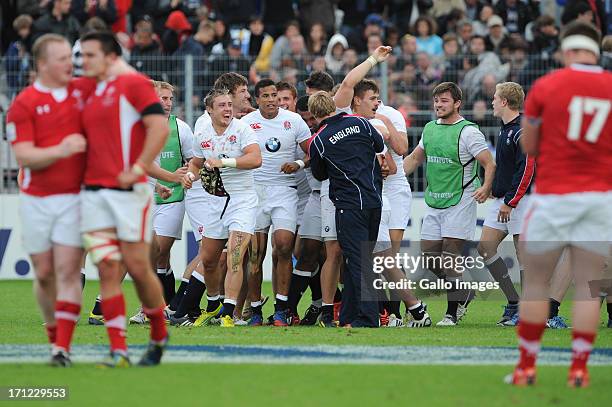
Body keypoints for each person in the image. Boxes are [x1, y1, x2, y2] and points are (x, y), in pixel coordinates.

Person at [507, 21, 612, 388]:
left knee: (536, 281)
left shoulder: (548, 86)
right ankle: (579, 368)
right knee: (588, 285)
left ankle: (526, 367)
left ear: (567, 50)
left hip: (554, 195)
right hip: (600, 196)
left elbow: (531, 145)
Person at [79, 31, 169, 367]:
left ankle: (159, 333)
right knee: (107, 268)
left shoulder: (135, 85)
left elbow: (158, 129)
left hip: (129, 194)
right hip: (96, 193)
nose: (83, 62)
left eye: (89, 55)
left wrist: (139, 168)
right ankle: (118, 350)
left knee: (136, 267)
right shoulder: (90, 90)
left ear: (110, 56)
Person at [7, 34, 92, 367]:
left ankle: (62, 349)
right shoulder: (24, 104)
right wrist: (62, 150)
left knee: (69, 272)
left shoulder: (83, 95)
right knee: (44, 274)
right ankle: (53, 333)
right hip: (37, 199)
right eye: (61, 58)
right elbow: (24, 155)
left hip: (74, 199)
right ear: (42, 64)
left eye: (70, 58)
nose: (69, 64)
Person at [403, 82, 496, 326]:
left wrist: (486, 187)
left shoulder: (468, 132)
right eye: (436, 101)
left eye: (444, 100)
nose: (438, 105)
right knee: (430, 256)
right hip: (435, 200)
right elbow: (414, 158)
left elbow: (489, 163)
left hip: (461, 199)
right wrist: (393, 178)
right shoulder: (430, 128)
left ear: (457, 103)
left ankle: (451, 314)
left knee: (449, 257)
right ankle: (464, 292)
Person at [169, 72, 253, 327]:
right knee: (208, 259)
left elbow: (255, 159)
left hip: (241, 200)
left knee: (234, 256)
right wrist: (189, 177)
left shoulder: (242, 128)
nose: (228, 109)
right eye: (222, 106)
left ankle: (228, 313)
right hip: (214, 201)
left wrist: (225, 162)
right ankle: (214, 304)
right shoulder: (202, 132)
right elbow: (195, 161)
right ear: (209, 110)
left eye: (230, 105)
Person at [307, 90, 387, 328]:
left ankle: (368, 318)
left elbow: (320, 174)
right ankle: (350, 315)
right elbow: (380, 144)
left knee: (359, 261)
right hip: (374, 201)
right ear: (334, 106)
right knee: (358, 259)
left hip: (349, 205)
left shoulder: (319, 140)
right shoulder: (360, 122)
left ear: (313, 115)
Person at [241, 79, 311, 326]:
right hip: (256, 192)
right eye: (266, 96)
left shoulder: (294, 121)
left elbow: (311, 151)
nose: (272, 100)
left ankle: (282, 309)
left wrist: (299, 164)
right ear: (257, 99)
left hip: (284, 190)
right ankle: (256, 310)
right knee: (254, 256)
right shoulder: (246, 123)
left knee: (283, 246)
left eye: (274, 95)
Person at [129, 81, 193, 324]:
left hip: (172, 200)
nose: (167, 103)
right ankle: (167, 306)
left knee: (157, 251)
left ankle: (149, 308)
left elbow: (193, 160)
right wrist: (163, 181)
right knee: (157, 258)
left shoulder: (181, 128)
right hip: (144, 196)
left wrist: (184, 176)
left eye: (169, 99)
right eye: (162, 98)